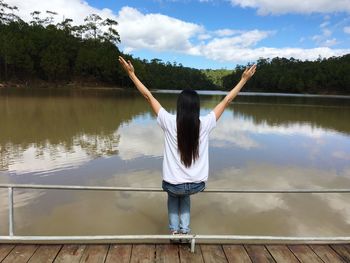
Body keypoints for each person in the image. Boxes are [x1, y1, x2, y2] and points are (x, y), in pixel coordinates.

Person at [118, 56, 256, 235]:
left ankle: (175, 233)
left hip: (173, 184)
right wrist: (243, 80)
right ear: (197, 107)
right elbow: (226, 101)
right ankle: (185, 231)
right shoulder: (205, 123)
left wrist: (131, 75)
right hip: (196, 184)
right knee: (185, 196)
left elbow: (148, 96)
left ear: (179, 106)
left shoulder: (168, 121)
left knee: (174, 196)